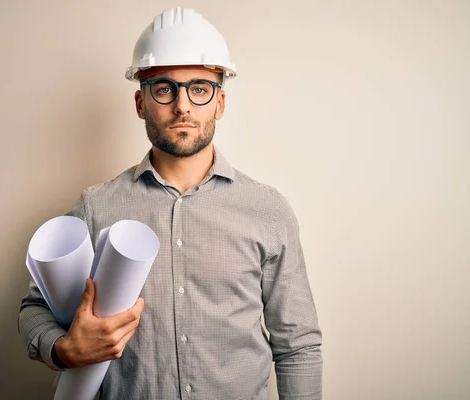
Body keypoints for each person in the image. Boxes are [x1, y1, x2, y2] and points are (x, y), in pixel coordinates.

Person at [19, 7, 322, 400]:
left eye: (199, 88)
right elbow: (34, 307)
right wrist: (63, 349)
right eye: (164, 88)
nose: (182, 106)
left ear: (220, 103)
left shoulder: (268, 211)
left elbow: (297, 346)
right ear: (141, 103)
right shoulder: (96, 207)